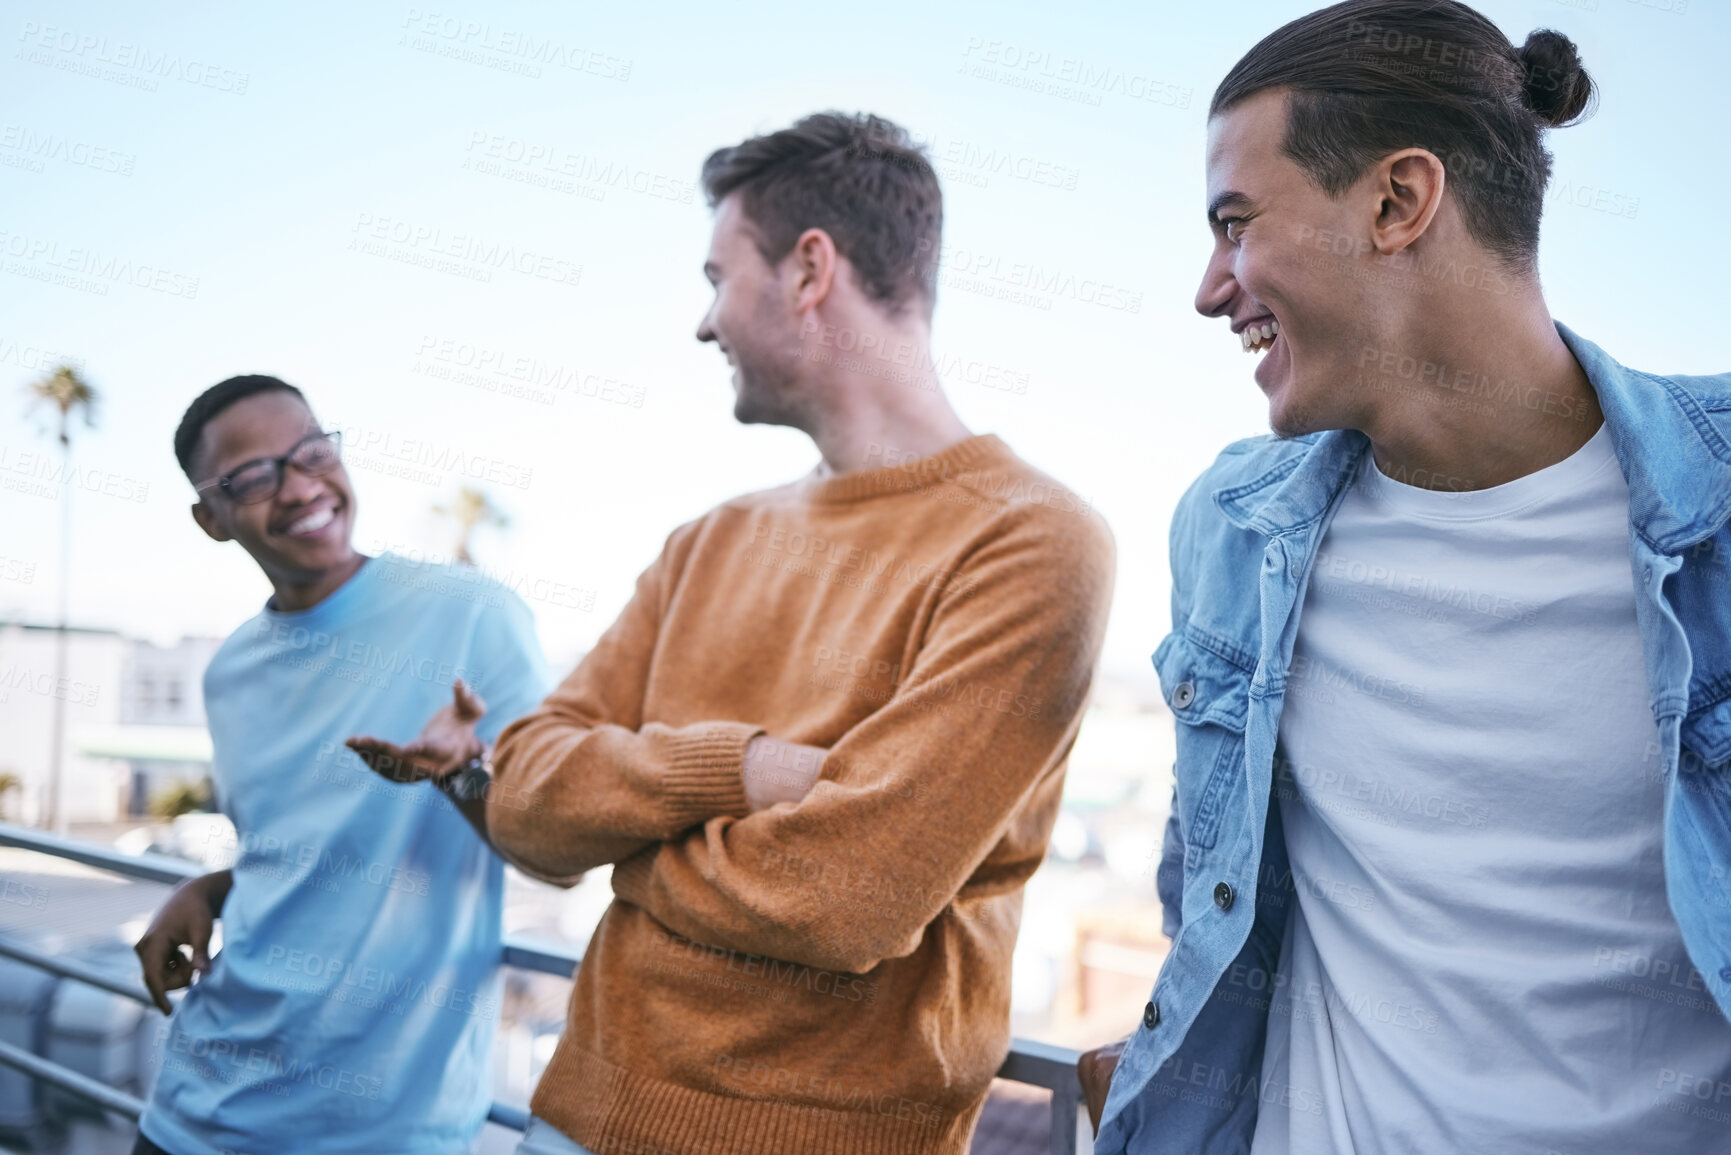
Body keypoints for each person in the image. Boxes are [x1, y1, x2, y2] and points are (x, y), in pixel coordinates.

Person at [1083, 3, 1731, 1152]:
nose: (1208, 287)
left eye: (1236, 224)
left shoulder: (1715, 506)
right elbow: (1211, 924)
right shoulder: (1233, 536)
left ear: (1398, 202)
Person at [484, 112, 1115, 1155]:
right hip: (571, 1122)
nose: (703, 324)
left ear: (809, 268)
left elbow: (842, 900)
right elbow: (521, 798)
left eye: (718, 276)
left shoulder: (1031, 542)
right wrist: (736, 772)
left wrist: (629, 861)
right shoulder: (706, 541)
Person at [132, 374, 570, 1155]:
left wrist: (459, 772)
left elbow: (561, 857)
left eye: (309, 449)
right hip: (192, 1115)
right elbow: (291, 845)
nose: (299, 485)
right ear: (211, 517)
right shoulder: (227, 669)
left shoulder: (472, 614)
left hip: (383, 1133)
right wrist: (211, 884)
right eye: (254, 474)